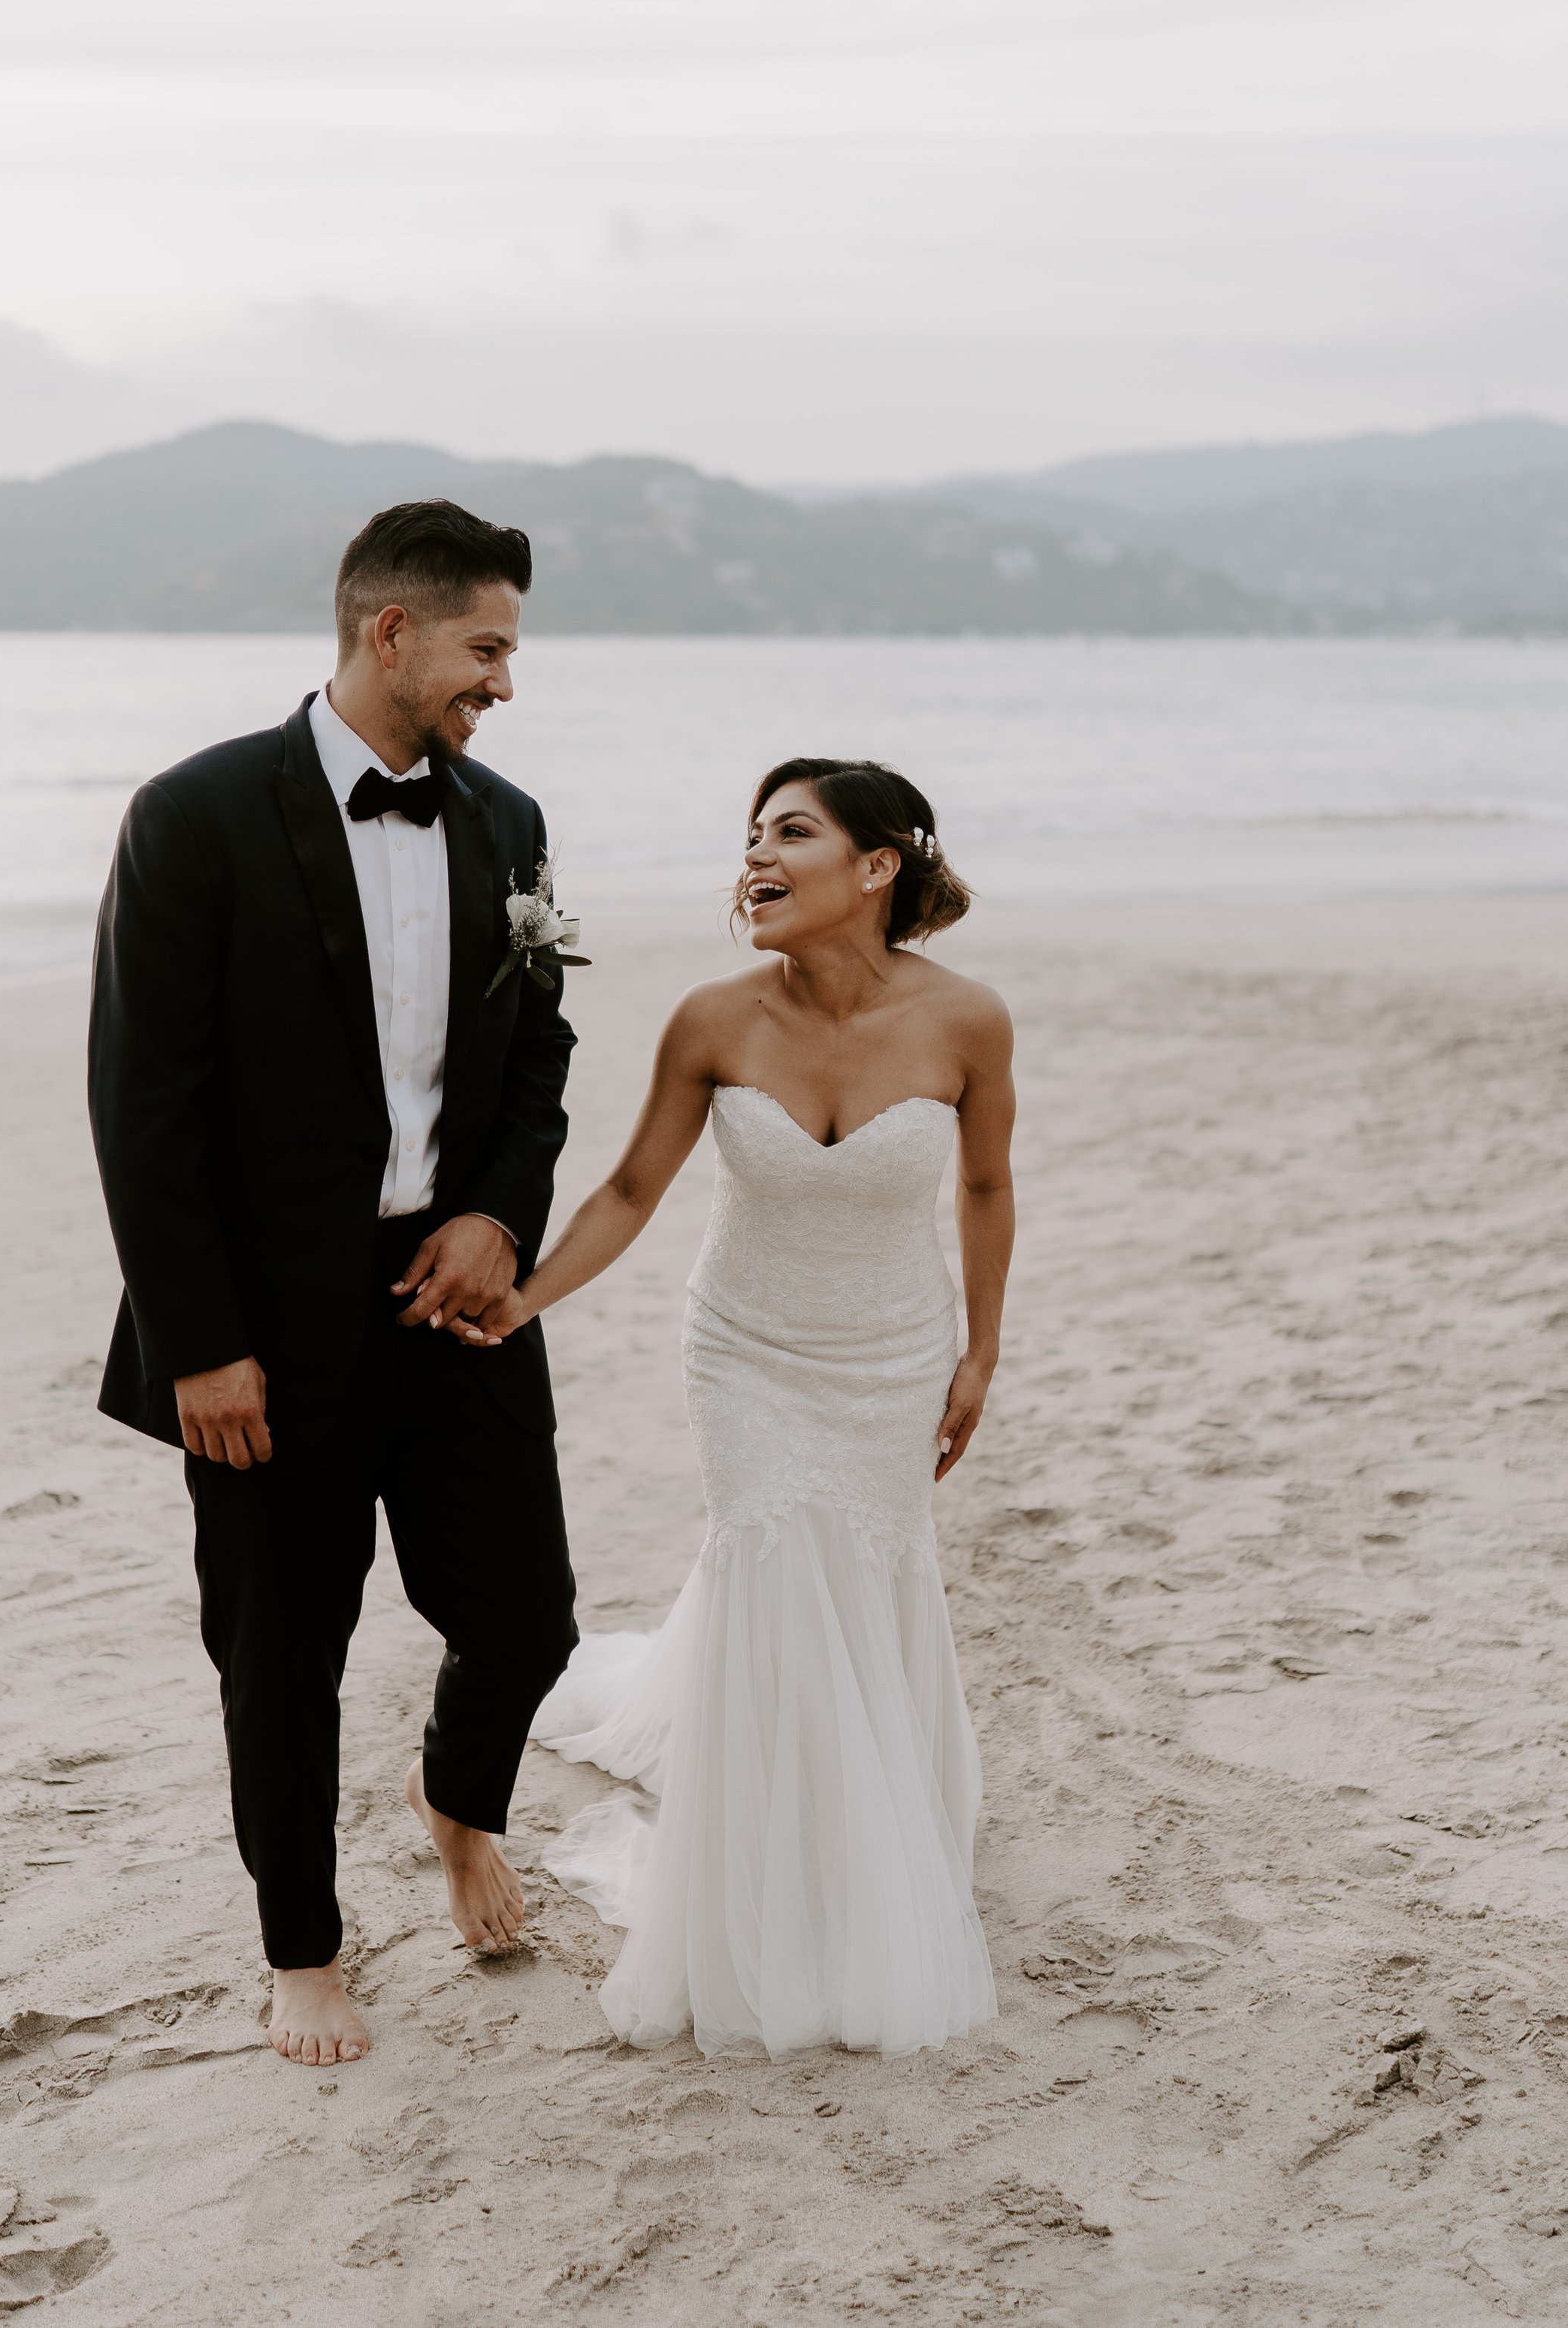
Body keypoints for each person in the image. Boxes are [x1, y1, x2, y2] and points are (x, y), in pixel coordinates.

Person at [87, 499, 581, 2070]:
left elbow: (540, 1058)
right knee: (280, 1653)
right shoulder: (195, 812)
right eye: (484, 648)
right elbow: (138, 1104)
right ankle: (301, 1943)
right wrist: (200, 1346)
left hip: (456, 1292)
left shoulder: (506, 823)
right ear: (391, 632)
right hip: (262, 1321)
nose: (500, 680)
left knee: (526, 1615)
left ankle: (457, 1801)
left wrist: (500, 1218)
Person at [467, 757, 1013, 2059]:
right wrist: (521, 1299)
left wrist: (981, 1353)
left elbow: (986, 1190)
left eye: (791, 834)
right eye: (751, 838)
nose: (754, 860)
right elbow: (626, 1192)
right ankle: (770, 1880)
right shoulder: (712, 1018)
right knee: (773, 1555)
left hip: (889, 1351)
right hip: (748, 1350)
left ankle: (879, 1829)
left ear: (877, 867)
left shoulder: (968, 1021)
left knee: (867, 1568)